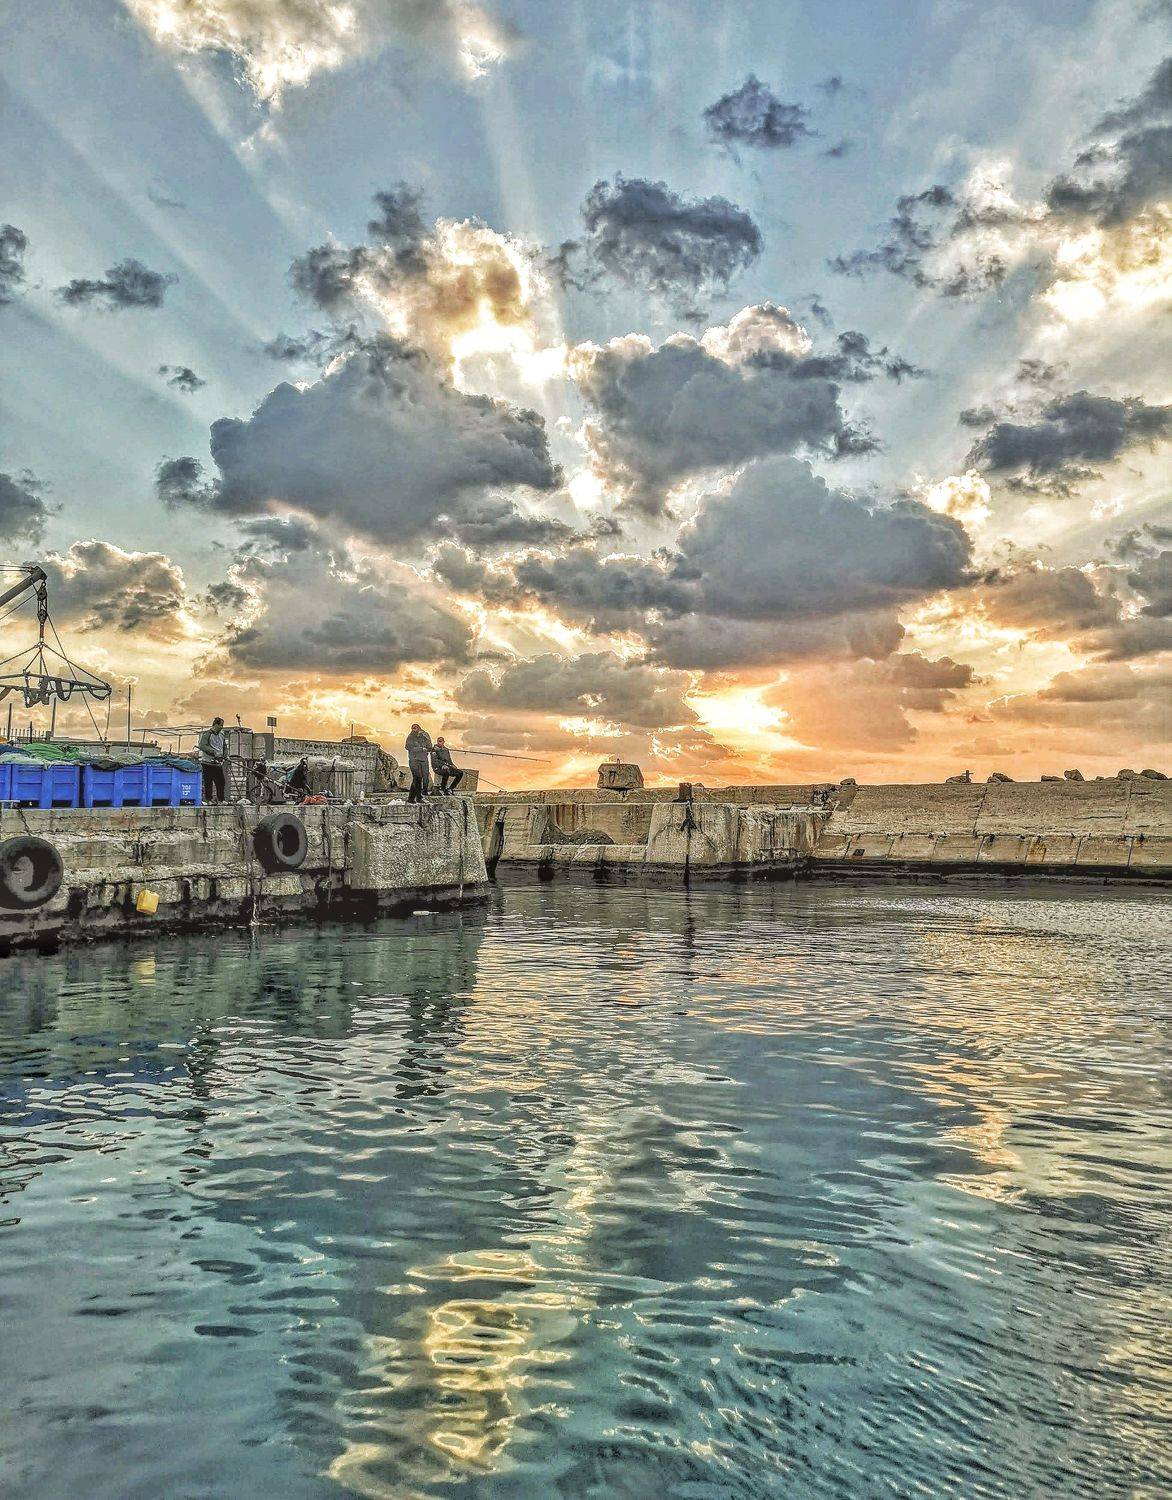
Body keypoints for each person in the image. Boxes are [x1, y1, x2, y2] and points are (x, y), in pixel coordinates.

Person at [197, 716, 228, 804]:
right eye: (221, 725)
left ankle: (221, 800)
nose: (222, 727)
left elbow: (224, 746)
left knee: (221, 782)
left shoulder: (222, 734)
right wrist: (213, 752)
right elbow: (202, 746)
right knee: (208, 782)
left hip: (217, 763)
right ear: (215, 725)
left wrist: (225, 755)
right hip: (207, 763)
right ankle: (209, 799)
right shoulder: (207, 734)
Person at [404, 723, 433, 803]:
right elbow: (408, 747)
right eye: (413, 728)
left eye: (416, 728)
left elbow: (429, 748)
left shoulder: (424, 737)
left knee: (421, 778)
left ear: (420, 728)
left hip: (423, 760)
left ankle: (413, 798)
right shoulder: (410, 737)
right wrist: (421, 749)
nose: (414, 729)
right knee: (417, 778)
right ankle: (417, 798)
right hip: (414, 760)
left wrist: (427, 738)